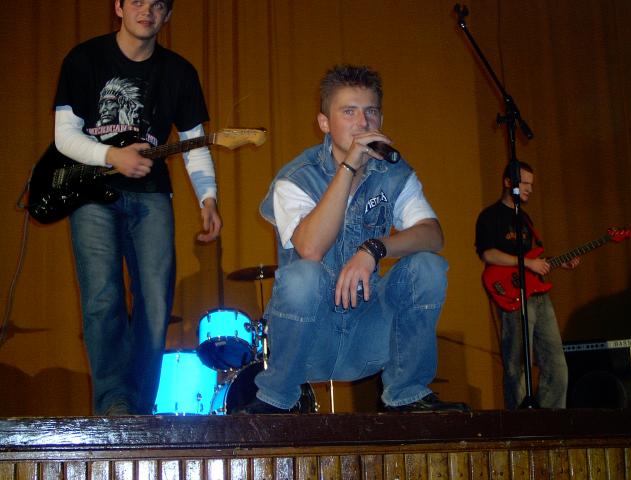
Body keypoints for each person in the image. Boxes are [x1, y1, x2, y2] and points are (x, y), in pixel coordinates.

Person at [239, 64, 468, 414]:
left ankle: (406, 394)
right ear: (324, 123)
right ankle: (277, 398)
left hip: (367, 331)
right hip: (310, 339)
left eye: (370, 112)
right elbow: (311, 248)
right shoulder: (296, 178)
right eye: (349, 112)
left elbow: (433, 235)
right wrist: (348, 167)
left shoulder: (394, 173)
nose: (362, 123)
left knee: (428, 266)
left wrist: (374, 248)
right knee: (303, 275)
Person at [53, 0, 222, 415]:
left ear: (167, 15)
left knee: (155, 302)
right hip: (92, 192)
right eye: (137, 1)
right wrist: (112, 156)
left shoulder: (178, 72)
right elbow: (64, 136)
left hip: (152, 195)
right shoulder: (84, 59)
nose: (147, 10)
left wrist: (208, 198)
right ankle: (115, 403)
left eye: (157, 4)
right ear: (119, 7)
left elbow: (194, 142)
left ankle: (140, 408)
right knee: (102, 297)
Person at [475, 162, 579, 409]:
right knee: (517, 364)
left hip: (538, 294)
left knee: (556, 366)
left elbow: (533, 259)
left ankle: (550, 421)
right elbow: (488, 254)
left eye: (531, 184)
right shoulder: (490, 216)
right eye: (524, 183)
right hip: (513, 293)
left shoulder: (525, 219)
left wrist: (556, 262)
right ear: (508, 182)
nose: (529, 189)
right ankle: (520, 422)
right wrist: (528, 263)